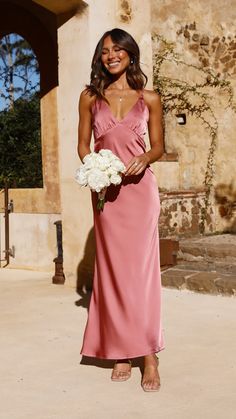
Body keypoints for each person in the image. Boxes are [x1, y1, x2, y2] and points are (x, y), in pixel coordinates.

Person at [77, 28, 164, 392]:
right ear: (101, 57)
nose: (111, 55)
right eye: (105, 50)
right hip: (107, 197)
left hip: (140, 195)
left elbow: (158, 146)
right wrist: (95, 168)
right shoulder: (89, 97)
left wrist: (144, 157)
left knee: (142, 274)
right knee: (112, 275)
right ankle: (120, 351)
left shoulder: (150, 98)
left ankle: (148, 356)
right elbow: (83, 145)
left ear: (130, 54)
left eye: (118, 49)